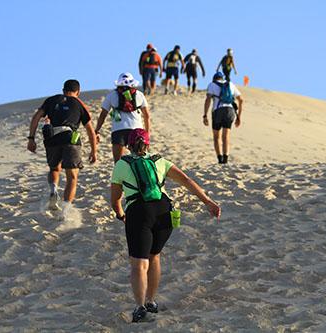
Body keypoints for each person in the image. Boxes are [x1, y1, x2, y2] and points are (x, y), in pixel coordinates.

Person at [111, 128, 221, 322]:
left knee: (139, 264)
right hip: (164, 211)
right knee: (154, 257)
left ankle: (140, 307)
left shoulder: (121, 164)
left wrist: (121, 215)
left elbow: (115, 199)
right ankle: (151, 301)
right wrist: (208, 202)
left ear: (128, 145)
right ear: (147, 144)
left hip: (139, 212)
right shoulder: (159, 161)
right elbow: (186, 180)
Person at [27, 79, 97, 210]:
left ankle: (53, 189)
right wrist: (94, 151)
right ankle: (65, 208)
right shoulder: (79, 104)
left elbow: (36, 117)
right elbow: (90, 131)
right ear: (78, 92)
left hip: (52, 138)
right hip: (70, 139)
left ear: (63, 90)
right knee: (72, 177)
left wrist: (31, 138)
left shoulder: (51, 100)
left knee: (54, 168)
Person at [94, 73, 150, 162]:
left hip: (118, 130)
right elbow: (146, 116)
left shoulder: (111, 95)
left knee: (118, 162)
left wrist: (97, 130)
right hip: (136, 130)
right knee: (139, 159)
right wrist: (147, 133)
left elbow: (103, 115)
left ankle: (121, 175)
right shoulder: (139, 94)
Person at [203, 72, 243, 164]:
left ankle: (220, 159)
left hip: (217, 111)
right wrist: (239, 117)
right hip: (230, 111)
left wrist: (205, 115)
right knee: (226, 136)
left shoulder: (212, 85)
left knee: (216, 136)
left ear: (214, 79)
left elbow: (208, 99)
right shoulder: (230, 84)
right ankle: (225, 159)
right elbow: (241, 100)